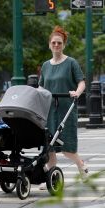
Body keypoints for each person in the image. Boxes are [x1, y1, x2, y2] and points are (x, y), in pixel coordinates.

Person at [38, 25, 88, 190]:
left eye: (59, 43)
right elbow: (41, 88)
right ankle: (51, 178)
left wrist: (77, 92)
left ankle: (81, 165)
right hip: (49, 110)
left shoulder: (71, 63)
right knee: (50, 146)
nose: (56, 45)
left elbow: (81, 81)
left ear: (64, 44)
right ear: (49, 44)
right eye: (54, 43)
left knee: (67, 147)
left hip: (67, 108)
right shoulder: (45, 66)